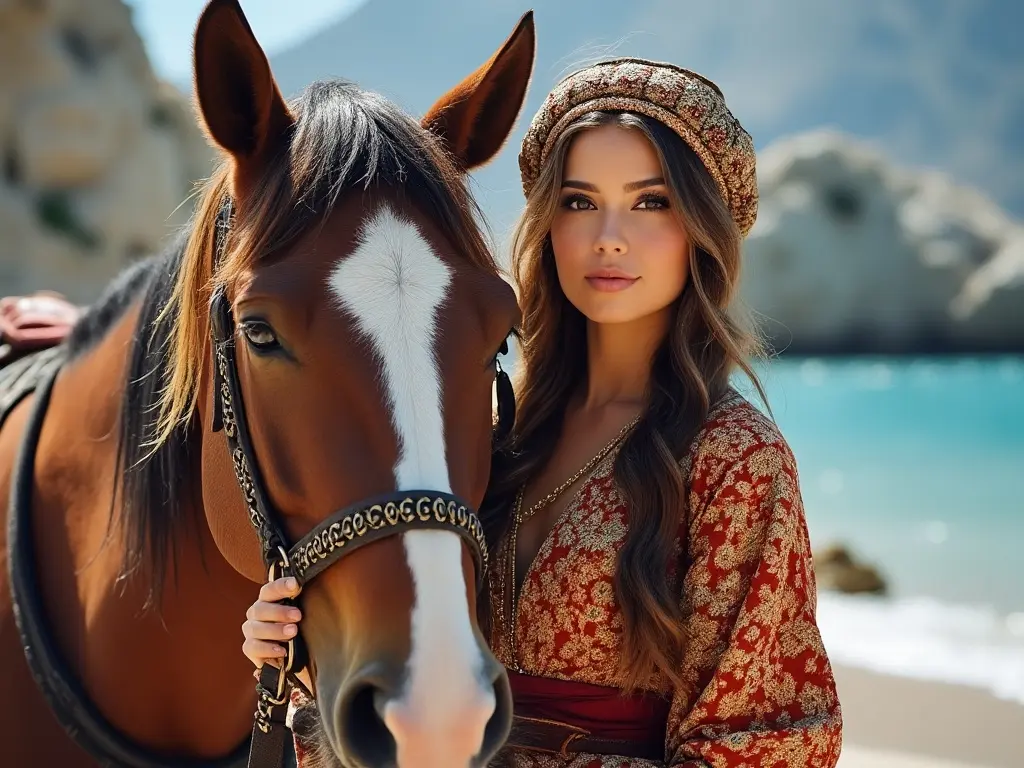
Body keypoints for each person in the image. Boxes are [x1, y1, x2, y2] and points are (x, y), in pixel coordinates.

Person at [8, 57, 843, 767]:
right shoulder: (497, 431)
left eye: (651, 202)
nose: (610, 236)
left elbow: (764, 742)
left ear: (703, 228)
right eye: (580, 201)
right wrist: (293, 653)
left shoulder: (732, 458)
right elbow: (410, 639)